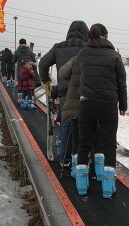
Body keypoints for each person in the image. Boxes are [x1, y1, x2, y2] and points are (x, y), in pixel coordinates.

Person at [75, 23, 127, 199]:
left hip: (86, 103)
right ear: (105, 35)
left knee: (84, 142)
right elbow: (121, 82)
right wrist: (123, 106)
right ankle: (107, 186)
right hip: (108, 105)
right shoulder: (114, 56)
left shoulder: (82, 54)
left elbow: (80, 76)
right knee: (109, 143)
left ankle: (81, 185)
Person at [39, 20, 89, 167]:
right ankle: (83, 158)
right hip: (85, 92)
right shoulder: (87, 48)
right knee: (85, 125)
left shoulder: (58, 47)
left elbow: (43, 64)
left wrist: (46, 79)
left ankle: (65, 158)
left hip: (65, 93)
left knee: (67, 123)